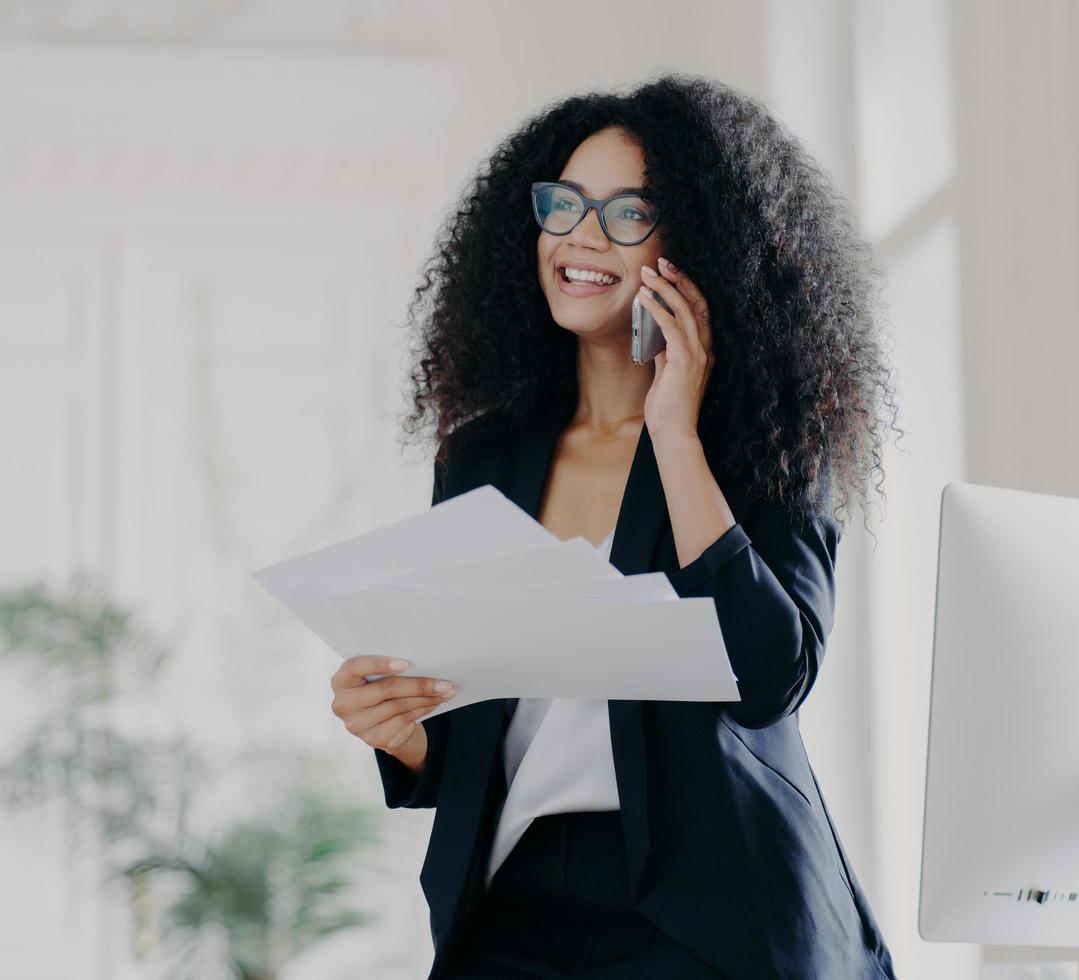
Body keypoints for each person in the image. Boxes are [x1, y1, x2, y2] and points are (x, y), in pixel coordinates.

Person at [329, 72, 902, 979]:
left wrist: (675, 433)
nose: (582, 236)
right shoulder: (484, 457)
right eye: (565, 205)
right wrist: (402, 731)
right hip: (515, 903)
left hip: (707, 909)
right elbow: (492, 718)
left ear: (698, 246)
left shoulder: (766, 450)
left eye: (627, 212)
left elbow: (768, 676)